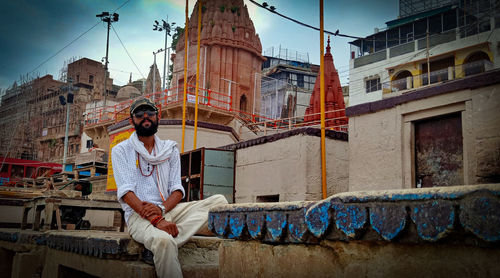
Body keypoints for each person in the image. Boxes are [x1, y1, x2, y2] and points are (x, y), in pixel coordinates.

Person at [111, 97, 228, 278]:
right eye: (140, 114)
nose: (145, 117)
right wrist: (157, 220)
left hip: (167, 209)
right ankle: (161, 241)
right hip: (138, 216)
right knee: (164, 242)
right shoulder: (121, 150)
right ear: (131, 120)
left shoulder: (169, 149)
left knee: (220, 202)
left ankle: (160, 241)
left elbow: (177, 190)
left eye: (150, 113)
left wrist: (161, 209)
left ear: (158, 117)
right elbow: (127, 193)